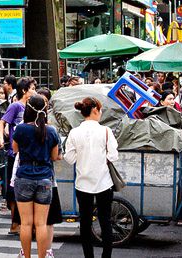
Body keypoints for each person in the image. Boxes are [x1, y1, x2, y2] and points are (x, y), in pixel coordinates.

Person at [64, 97, 118, 258]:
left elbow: (70, 158)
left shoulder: (74, 132)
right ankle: (106, 256)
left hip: (82, 183)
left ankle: (89, 256)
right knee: (105, 221)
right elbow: (114, 156)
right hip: (103, 182)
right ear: (95, 110)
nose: (101, 113)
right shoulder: (106, 131)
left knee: (85, 223)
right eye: (100, 110)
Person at [12, 94, 60, 258]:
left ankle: (26, 256)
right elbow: (54, 157)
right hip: (45, 177)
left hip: (24, 175)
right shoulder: (51, 130)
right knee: (41, 224)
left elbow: (15, 149)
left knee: (25, 223)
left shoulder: (21, 129)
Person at [0, 77, 37, 235]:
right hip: (15, 154)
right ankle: (15, 223)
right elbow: (2, 122)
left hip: (29, 154)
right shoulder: (15, 106)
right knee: (14, 190)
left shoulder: (33, 107)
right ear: (24, 90)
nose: (34, 90)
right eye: (33, 88)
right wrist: (1, 138)